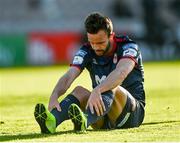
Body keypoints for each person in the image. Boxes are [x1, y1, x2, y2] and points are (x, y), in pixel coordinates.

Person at [34, 12, 145, 133]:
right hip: (101, 115)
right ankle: (51, 122)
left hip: (131, 114)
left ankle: (85, 120)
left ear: (111, 36)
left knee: (113, 87)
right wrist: (55, 95)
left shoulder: (128, 47)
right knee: (79, 91)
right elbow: (69, 75)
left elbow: (121, 72)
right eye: (92, 43)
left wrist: (98, 89)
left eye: (100, 43)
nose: (96, 47)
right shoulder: (86, 50)